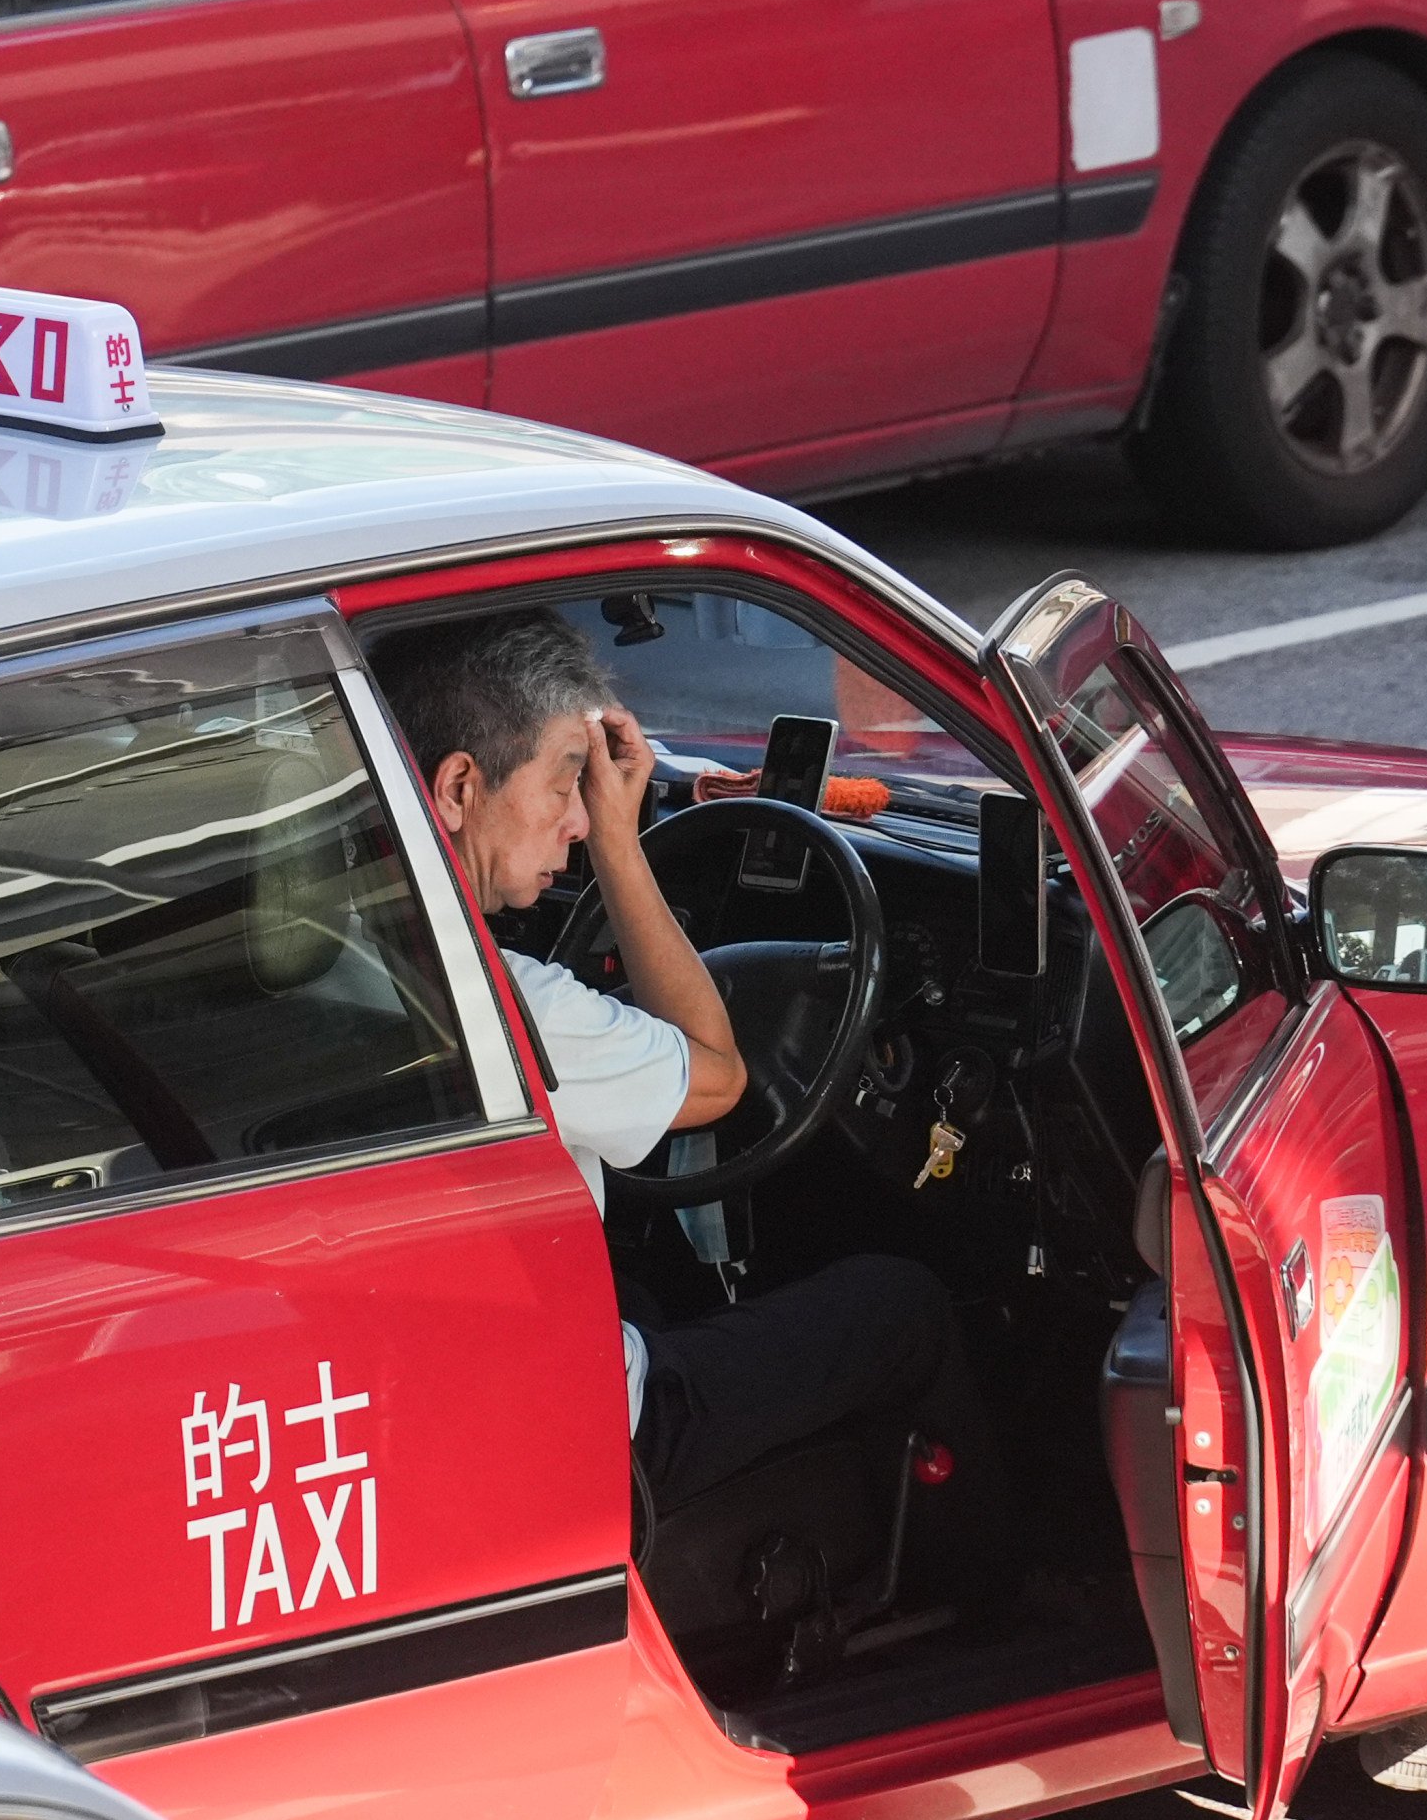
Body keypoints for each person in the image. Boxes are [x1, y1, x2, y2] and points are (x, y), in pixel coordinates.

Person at [370, 609, 997, 1581]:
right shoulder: (515, 1008)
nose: (577, 822)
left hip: (438, 1390)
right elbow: (718, 1069)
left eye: (590, 796)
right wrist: (623, 849)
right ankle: (983, 1604)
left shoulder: (344, 957)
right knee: (902, 1306)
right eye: (561, 787)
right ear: (457, 788)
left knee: (656, 1284)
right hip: (592, 1428)